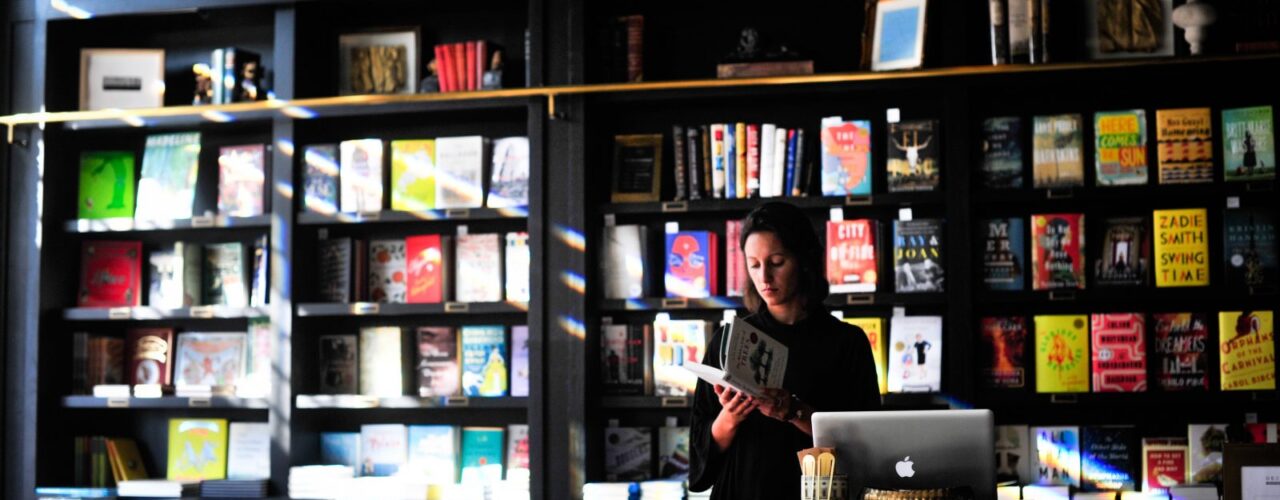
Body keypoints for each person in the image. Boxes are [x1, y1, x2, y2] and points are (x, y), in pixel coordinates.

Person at [690, 201, 882, 500]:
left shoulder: (847, 342)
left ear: (803, 259)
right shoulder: (728, 339)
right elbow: (699, 459)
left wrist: (793, 411)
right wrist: (730, 417)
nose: (764, 277)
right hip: (741, 489)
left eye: (776, 261)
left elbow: (865, 444)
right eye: (753, 264)